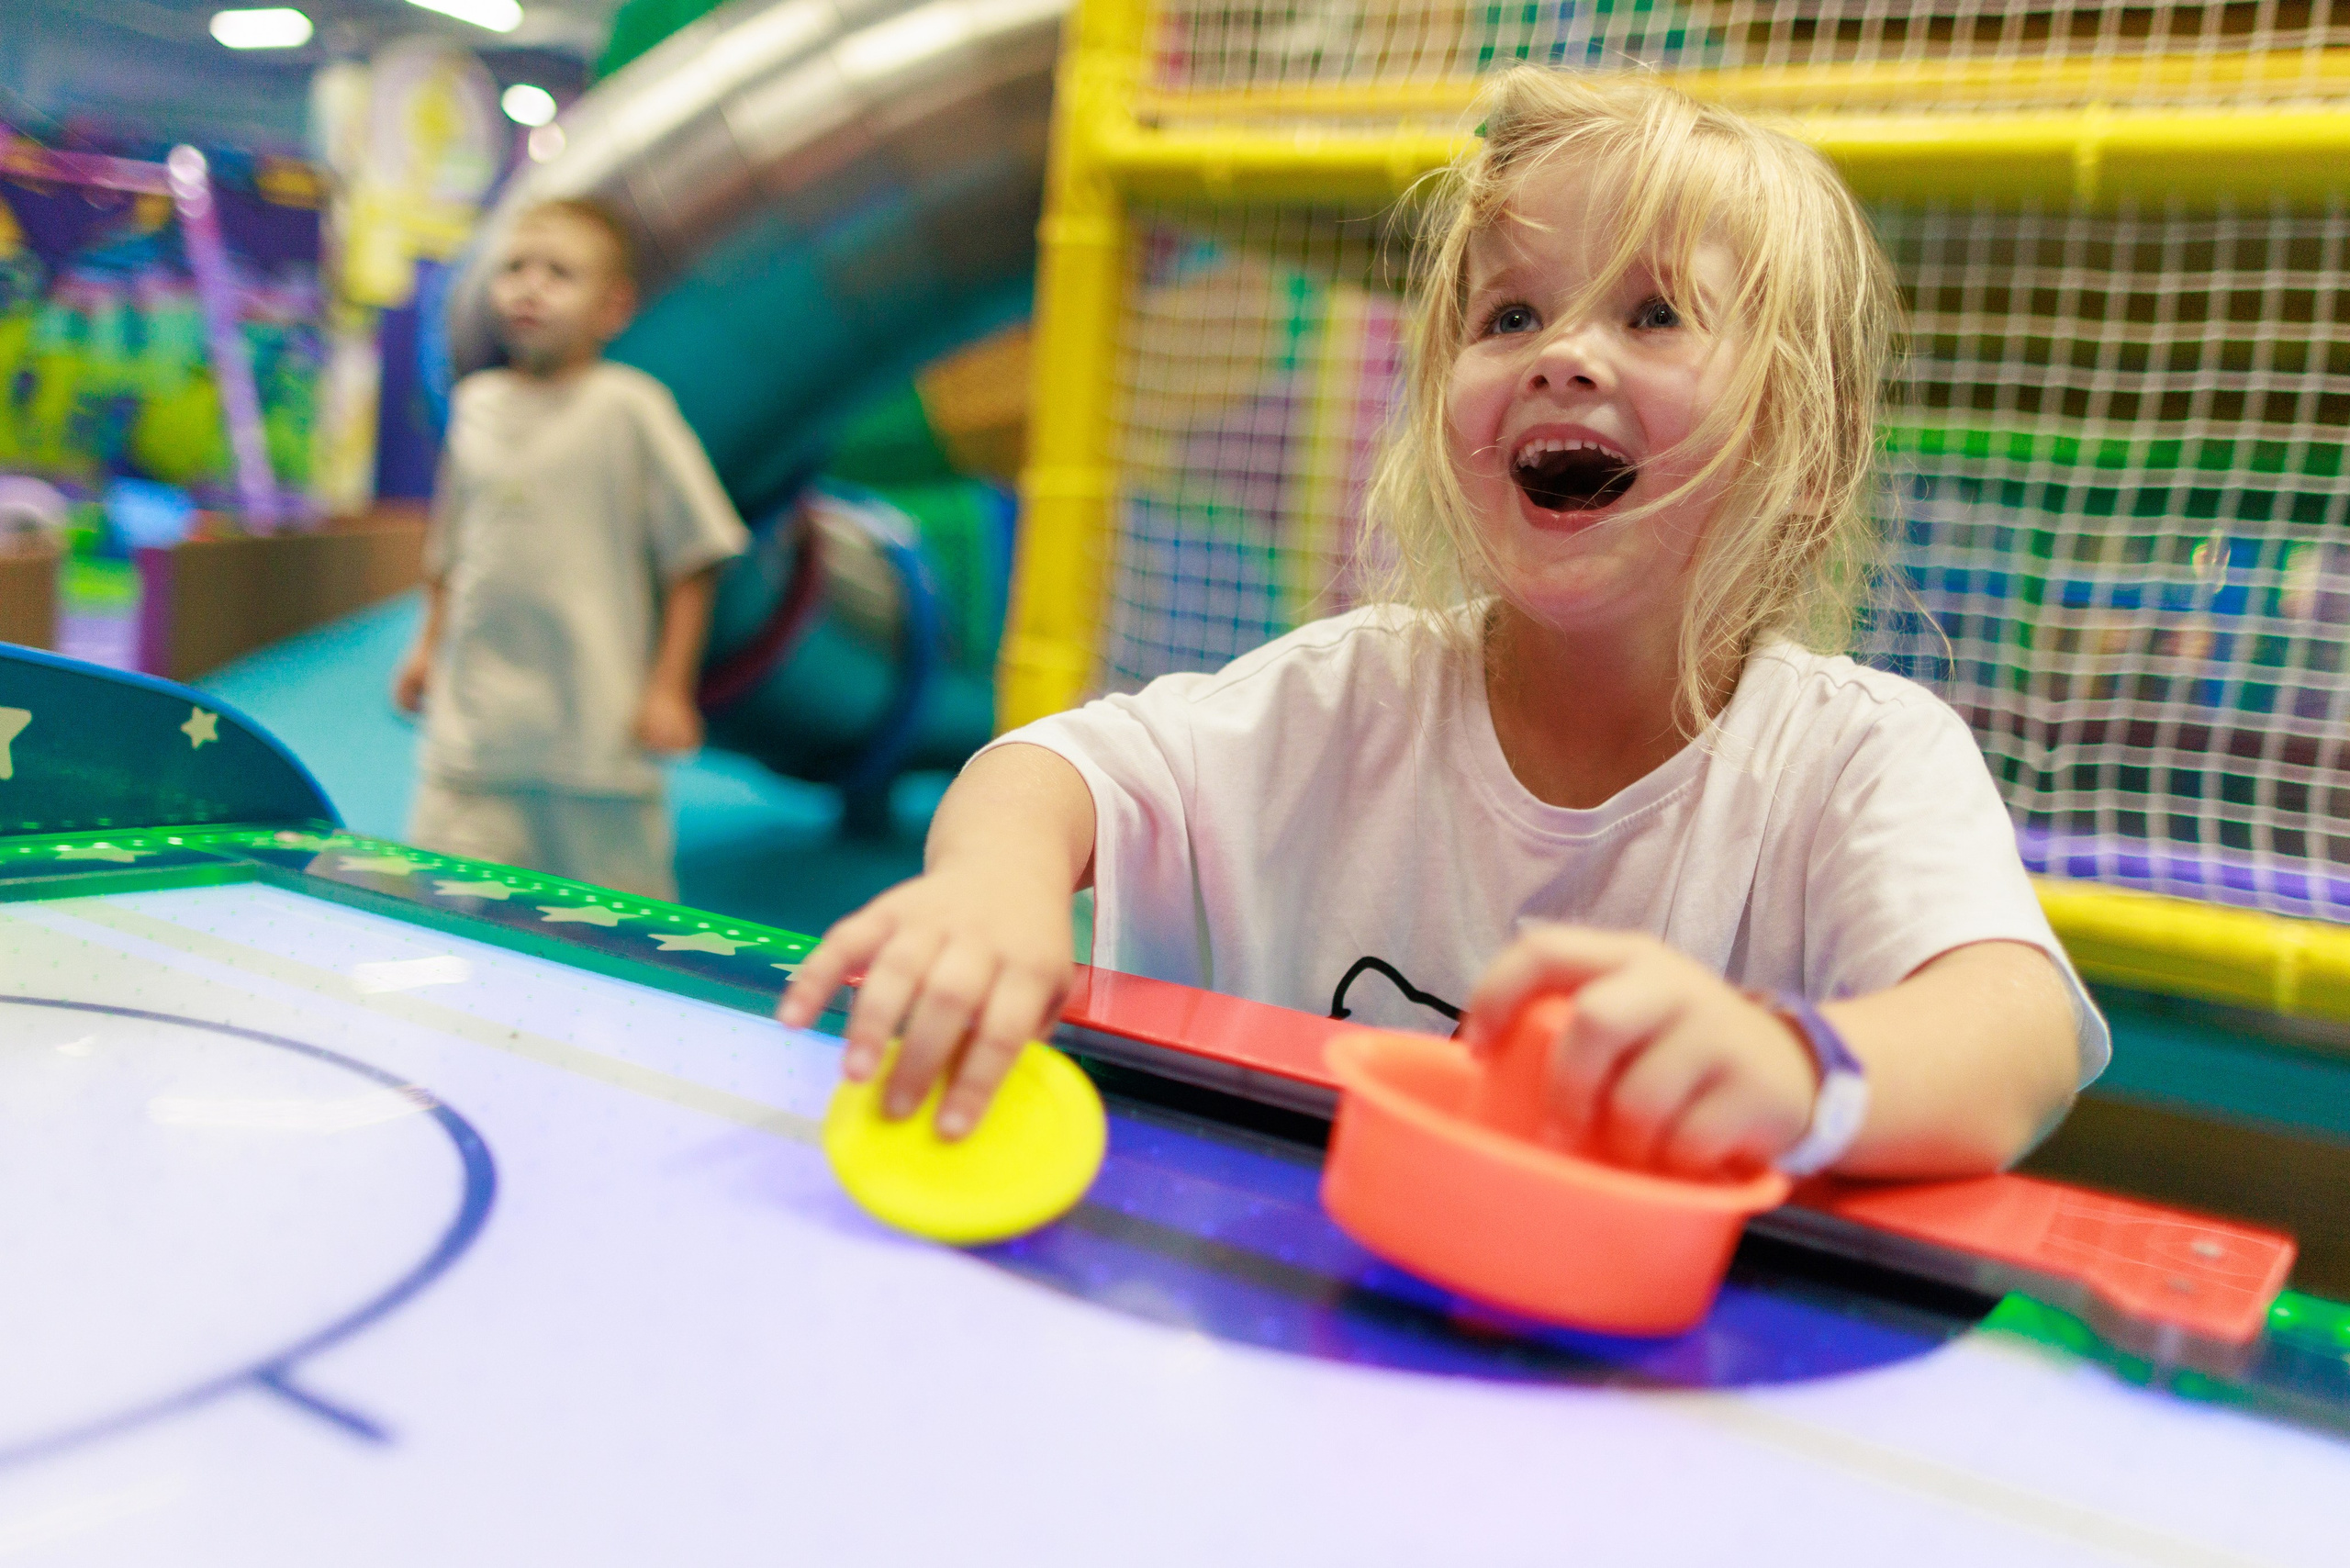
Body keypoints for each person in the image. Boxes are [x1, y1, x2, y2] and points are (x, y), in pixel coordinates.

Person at [781, 70, 2107, 1181]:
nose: (1563, 353)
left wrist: (1795, 1068)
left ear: (1800, 448)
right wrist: (991, 894)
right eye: (1510, 314)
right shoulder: (1354, 696)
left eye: (1654, 313)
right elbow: (1054, 768)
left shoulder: (1853, 756)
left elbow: (2018, 1031)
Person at [394, 198, 747, 901]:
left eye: (560, 273)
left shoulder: (629, 408)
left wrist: (668, 687)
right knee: (443, 905)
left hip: (596, 747)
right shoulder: (476, 405)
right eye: (514, 268)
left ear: (613, 308)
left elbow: (696, 555)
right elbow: (452, 549)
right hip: (475, 744)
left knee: (620, 926)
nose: (530, 287)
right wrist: (427, 646)